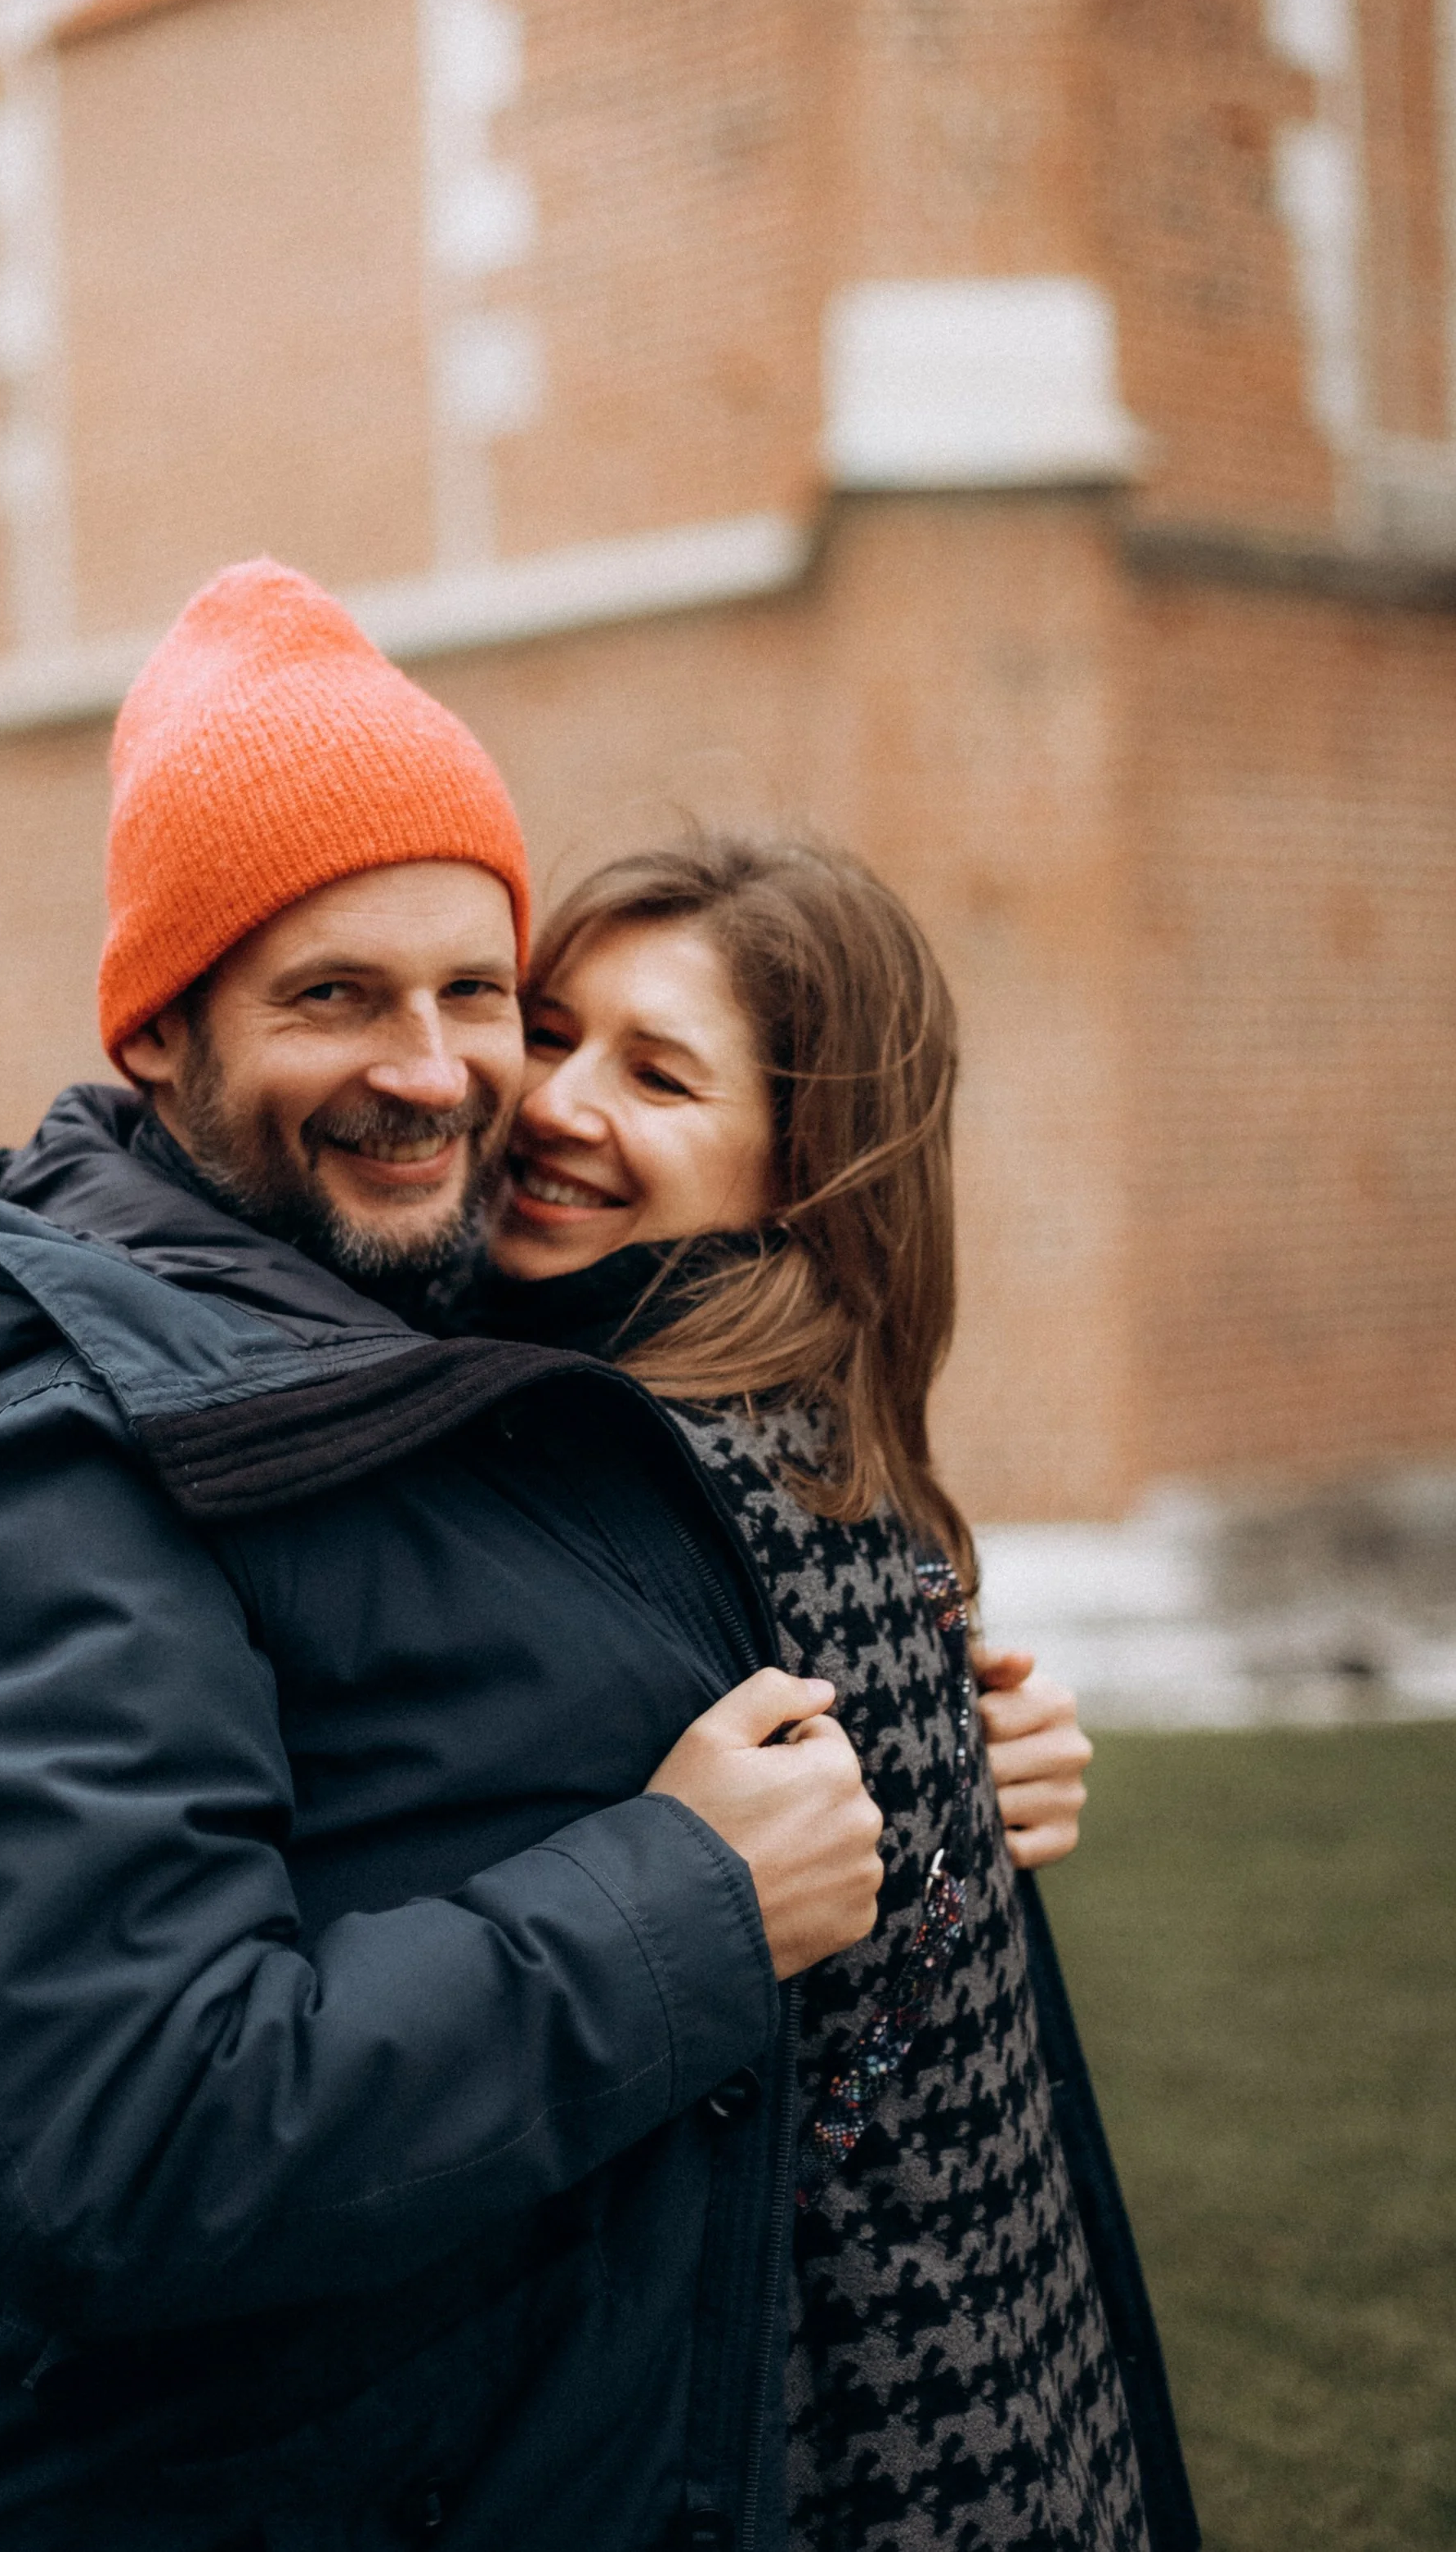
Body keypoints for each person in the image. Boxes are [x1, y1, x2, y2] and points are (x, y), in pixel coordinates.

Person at [0, 560, 890, 2552]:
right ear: (158, 1038)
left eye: (477, 993)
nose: (436, 1068)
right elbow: (126, 2140)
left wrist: (933, 1738)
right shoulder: (33, 1469)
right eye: (329, 996)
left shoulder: (379, 1348)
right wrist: (693, 1896)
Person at [476, 831, 1198, 2552]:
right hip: (992, 2400)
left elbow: (863, 2036)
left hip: (841, 2432)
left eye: (656, 1075)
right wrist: (965, 1813)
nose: (555, 1102)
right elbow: (905, 1971)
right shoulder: (804, 1435)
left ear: (797, 1171)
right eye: (552, 1030)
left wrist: (946, 1836)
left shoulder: (656, 1481)